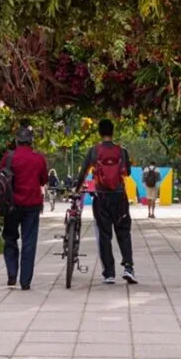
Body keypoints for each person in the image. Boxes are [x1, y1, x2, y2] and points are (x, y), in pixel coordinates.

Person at [76, 119, 138, 285]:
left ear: (99, 132)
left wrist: (76, 190)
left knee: (104, 234)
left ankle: (109, 273)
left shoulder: (94, 151)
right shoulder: (121, 151)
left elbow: (83, 172)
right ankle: (128, 268)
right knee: (123, 231)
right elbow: (129, 173)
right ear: (113, 132)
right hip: (119, 196)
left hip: (101, 196)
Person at [0, 125, 48, 291]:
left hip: (12, 205)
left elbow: (1, 179)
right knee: (29, 241)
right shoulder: (38, 159)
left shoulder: (9, 157)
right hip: (32, 205)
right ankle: (25, 281)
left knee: (10, 237)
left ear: (16, 140)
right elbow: (43, 180)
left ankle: (12, 274)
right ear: (31, 140)